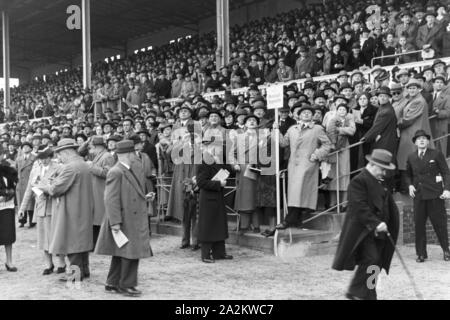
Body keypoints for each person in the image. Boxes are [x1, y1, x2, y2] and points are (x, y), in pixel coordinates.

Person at [332, 149, 400, 300]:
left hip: (379, 232)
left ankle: (369, 293)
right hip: (363, 232)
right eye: (382, 169)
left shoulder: (380, 182)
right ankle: (355, 292)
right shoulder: (359, 181)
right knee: (371, 259)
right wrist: (376, 223)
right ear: (373, 165)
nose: (383, 173)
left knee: (377, 262)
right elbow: (359, 207)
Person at [95, 140, 153, 296]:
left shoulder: (125, 169)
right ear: (128, 154)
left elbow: (127, 193)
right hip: (124, 219)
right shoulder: (116, 171)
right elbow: (110, 199)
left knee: (120, 252)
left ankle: (112, 282)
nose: (136, 156)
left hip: (128, 218)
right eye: (134, 153)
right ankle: (126, 285)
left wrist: (144, 197)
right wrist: (115, 223)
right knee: (131, 253)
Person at [37, 138, 94, 282]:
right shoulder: (83, 164)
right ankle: (84, 270)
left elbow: (56, 189)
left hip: (72, 210)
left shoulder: (70, 167)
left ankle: (75, 275)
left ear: (67, 152)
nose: (59, 157)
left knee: (72, 242)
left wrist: (43, 186)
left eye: (60, 154)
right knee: (82, 242)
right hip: (83, 208)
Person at [275, 102, 332, 229]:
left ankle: (288, 220)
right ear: (298, 116)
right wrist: (276, 131)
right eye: (303, 112)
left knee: (299, 191)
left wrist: (317, 154)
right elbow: (284, 143)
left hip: (308, 164)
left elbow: (327, 144)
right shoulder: (292, 129)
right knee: (295, 192)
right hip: (293, 165)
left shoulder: (317, 129)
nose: (306, 114)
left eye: (309, 112)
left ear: (312, 116)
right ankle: (297, 221)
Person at [18, 145, 65, 275]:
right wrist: (22, 208)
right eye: (41, 158)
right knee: (43, 237)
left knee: (56, 236)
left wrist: (47, 187)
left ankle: (61, 263)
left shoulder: (59, 168)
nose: (43, 160)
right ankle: (48, 264)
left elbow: (60, 187)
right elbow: (29, 189)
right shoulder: (35, 170)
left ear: (51, 157)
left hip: (53, 205)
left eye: (46, 158)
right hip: (40, 206)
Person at [405, 130, 450, 262]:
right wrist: (410, 185)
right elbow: (407, 174)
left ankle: (446, 251)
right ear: (415, 142)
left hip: (435, 195)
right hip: (419, 196)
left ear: (428, 141)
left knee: (440, 224)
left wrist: (447, 189)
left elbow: (446, 173)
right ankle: (421, 254)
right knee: (419, 225)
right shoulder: (411, 157)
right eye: (419, 139)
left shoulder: (436, 154)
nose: (422, 140)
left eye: (424, 138)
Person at [196, 141, 233, 263]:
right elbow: (201, 182)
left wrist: (219, 162)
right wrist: (219, 183)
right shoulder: (203, 163)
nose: (216, 150)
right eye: (213, 147)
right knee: (208, 227)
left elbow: (228, 171)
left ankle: (219, 253)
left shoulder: (216, 161)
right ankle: (205, 254)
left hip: (217, 197)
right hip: (208, 199)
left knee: (219, 225)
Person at [87, 136, 115, 245]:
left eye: (91, 147)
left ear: (95, 146)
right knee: (96, 218)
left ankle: (101, 243)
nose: (90, 150)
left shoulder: (107, 156)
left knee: (100, 218)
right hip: (96, 191)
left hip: (102, 191)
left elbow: (108, 173)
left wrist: (91, 167)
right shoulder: (99, 155)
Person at [0, 160, 18, 272]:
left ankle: (9, 261)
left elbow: (14, 184)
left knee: (8, 235)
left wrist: (9, 193)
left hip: (7, 206)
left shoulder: (7, 169)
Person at [16, 141, 36, 228]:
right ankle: (22, 221)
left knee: (31, 203)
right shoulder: (18, 159)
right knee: (21, 202)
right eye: (23, 147)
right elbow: (16, 170)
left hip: (30, 182)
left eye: (27, 147)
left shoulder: (34, 158)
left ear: (31, 149)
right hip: (21, 183)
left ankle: (32, 221)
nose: (25, 148)